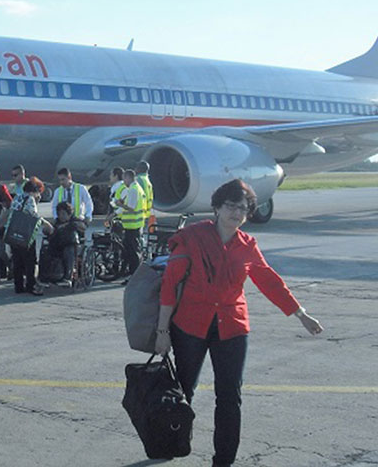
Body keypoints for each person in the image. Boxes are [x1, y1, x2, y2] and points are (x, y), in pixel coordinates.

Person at [155, 179, 323, 467]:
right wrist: (161, 331)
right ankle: (173, 442)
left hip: (231, 326)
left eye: (242, 208)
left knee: (230, 396)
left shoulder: (247, 245)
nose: (236, 213)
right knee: (183, 390)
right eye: (230, 206)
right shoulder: (192, 237)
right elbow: (170, 285)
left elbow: (270, 282)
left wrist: (300, 313)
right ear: (217, 207)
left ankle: (224, 460)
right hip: (190, 325)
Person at [0, 176, 53, 296]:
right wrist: (46, 224)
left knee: (17, 260)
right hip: (26, 234)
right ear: (34, 191)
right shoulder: (30, 199)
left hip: (13, 233)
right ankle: (30, 285)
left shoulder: (17, 197)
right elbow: (33, 215)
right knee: (30, 261)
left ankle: (18, 286)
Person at [45, 201, 85, 287]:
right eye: (59, 214)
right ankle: (46, 276)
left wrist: (70, 225)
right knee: (46, 252)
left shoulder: (75, 221)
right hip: (58, 245)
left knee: (68, 252)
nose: (61, 216)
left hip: (72, 246)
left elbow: (83, 227)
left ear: (69, 214)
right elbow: (48, 231)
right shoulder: (57, 222)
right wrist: (48, 230)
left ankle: (68, 277)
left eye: (63, 214)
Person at [115, 169, 145, 281]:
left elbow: (131, 207)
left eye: (124, 179)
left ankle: (134, 276)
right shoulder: (137, 188)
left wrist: (120, 205)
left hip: (132, 226)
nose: (124, 182)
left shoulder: (133, 190)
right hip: (134, 225)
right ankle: (132, 274)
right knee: (131, 250)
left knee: (133, 253)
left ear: (128, 178)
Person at [135, 160, 154, 227]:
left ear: (140, 169)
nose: (135, 169)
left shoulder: (138, 179)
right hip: (146, 210)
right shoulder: (147, 180)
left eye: (137, 167)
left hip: (138, 211)